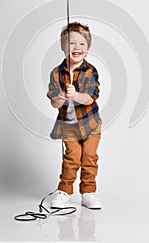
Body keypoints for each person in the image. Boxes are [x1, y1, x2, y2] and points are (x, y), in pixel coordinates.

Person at [47, 22, 102, 210]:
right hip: (69, 125)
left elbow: (89, 98)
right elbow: (53, 101)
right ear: (63, 47)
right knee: (71, 157)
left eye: (81, 44)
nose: (76, 48)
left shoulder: (90, 71)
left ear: (87, 49)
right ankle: (64, 191)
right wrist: (60, 98)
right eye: (71, 43)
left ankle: (88, 192)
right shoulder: (57, 73)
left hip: (90, 125)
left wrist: (75, 95)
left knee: (89, 157)